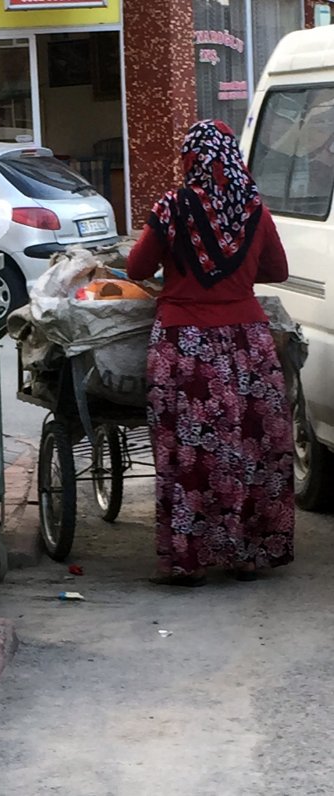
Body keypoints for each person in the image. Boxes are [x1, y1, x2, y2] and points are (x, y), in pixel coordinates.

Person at [126, 119, 294, 587]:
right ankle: (248, 556)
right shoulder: (255, 210)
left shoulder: (170, 207)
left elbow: (136, 267)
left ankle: (190, 561)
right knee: (253, 445)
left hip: (186, 344)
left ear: (190, 159)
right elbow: (278, 270)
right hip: (248, 344)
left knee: (189, 450)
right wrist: (236, 275)